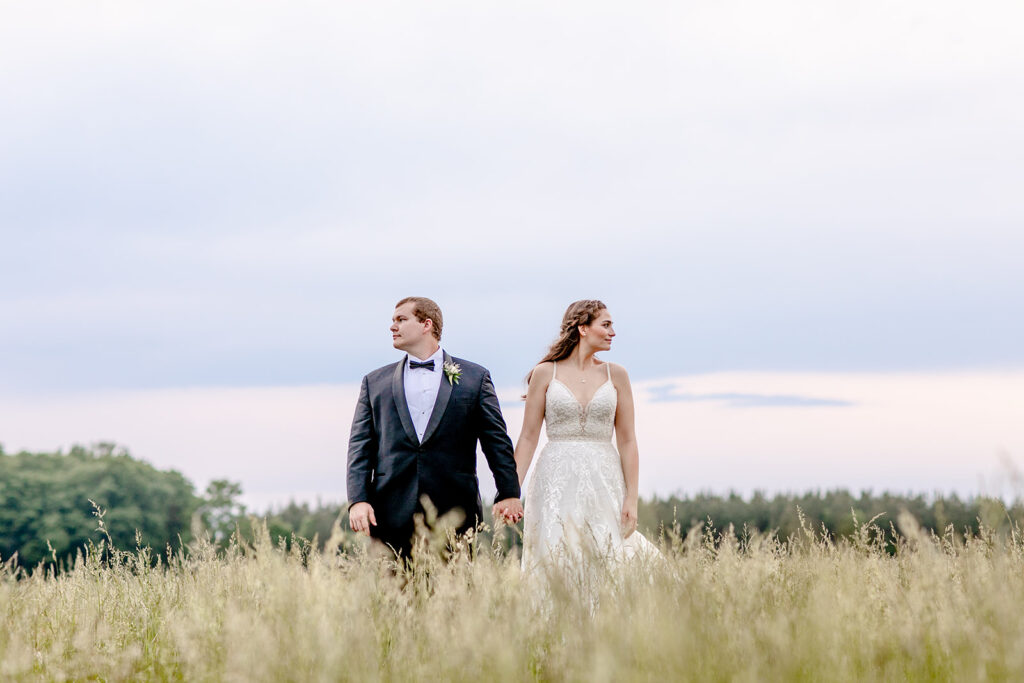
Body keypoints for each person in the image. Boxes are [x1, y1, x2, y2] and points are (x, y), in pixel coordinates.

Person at [347, 297, 523, 558]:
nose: (392, 327)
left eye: (401, 319)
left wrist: (508, 492)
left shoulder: (475, 378)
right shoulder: (375, 382)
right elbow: (360, 446)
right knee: (394, 596)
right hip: (390, 511)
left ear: (426, 324)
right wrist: (358, 501)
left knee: (454, 595)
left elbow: (496, 441)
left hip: (455, 511)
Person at [514, 299, 656, 572]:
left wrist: (631, 498)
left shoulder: (617, 374)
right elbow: (528, 437)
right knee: (556, 556)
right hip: (554, 479)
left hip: (605, 479)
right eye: (606, 325)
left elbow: (627, 440)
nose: (613, 332)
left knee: (608, 554)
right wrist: (511, 490)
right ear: (583, 328)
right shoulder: (545, 373)